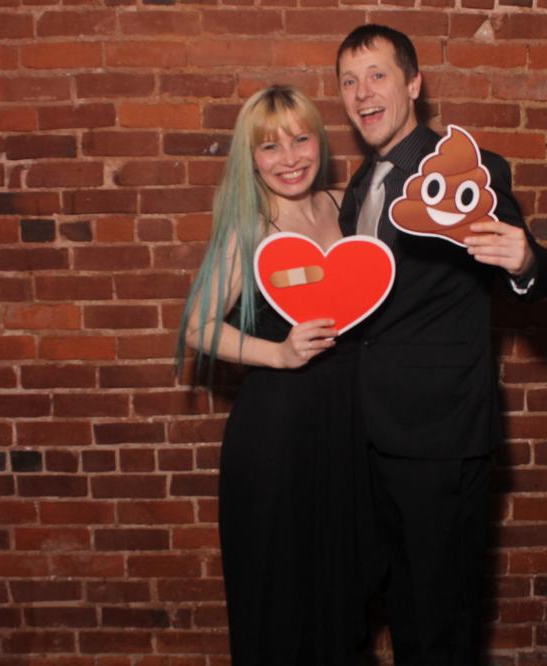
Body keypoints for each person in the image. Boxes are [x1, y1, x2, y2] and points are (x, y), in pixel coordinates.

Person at [335, 25, 547, 665]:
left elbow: (539, 275)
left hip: (439, 438)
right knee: (393, 608)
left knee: (440, 626)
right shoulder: (361, 186)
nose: (362, 93)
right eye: (349, 82)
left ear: (413, 84)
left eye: (377, 75)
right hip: (366, 437)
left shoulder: (465, 170)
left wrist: (526, 261)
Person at [176, 85, 360, 666]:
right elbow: (199, 327)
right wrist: (279, 354)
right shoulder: (249, 227)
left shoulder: (347, 206)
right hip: (277, 435)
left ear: (319, 141)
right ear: (250, 158)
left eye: (300, 139)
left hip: (346, 427)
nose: (289, 158)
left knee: (342, 591)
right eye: (270, 146)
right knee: (280, 597)